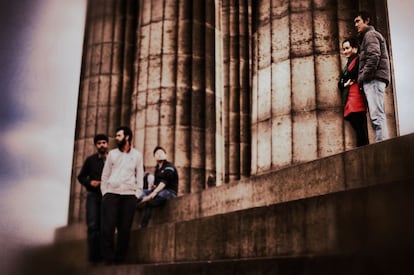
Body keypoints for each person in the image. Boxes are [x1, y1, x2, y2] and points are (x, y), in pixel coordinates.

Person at [100, 126, 144, 264]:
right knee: (109, 227)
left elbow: (140, 175)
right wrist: (105, 192)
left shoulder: (137, 155)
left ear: (127, 137)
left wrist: (137, 193)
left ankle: (119, 259)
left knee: (125, 228)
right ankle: (108, 258)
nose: (116, 138)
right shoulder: (112, 154)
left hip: (129, 196)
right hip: (111, 194)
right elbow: (105, 175)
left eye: (119, 135)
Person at [354, 10, 391, 142]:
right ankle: (381, 144)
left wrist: (363, 76)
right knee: (376, 116)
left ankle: (382, 146)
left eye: (358, 21)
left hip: (373, 79)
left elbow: (373, 57)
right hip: (373, 79)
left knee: (377, 116)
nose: (355, 24)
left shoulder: (370, 35)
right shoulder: (368, 36)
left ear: (367, 20)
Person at [77, 134, 109, 264]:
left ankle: (103, 256)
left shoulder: (112, 160)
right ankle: (94, 258)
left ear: (107, 144)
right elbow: (81, 177)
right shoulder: (90, 160)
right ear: (96, 145)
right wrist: (90, 183)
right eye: (99, 143)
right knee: (92, 225)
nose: (101, 145)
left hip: (107, 196)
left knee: (104, 226)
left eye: (104, 142)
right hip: (93, 195)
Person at [338, 38, 369, 147]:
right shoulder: (348, 63)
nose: (345, 51)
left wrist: (345, 81)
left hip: (357, 97)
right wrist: (345, 83)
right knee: (356, 125)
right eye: (343, 49)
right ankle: (362, 147)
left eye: (347, 48)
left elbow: (354, 74)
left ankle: (362, 148)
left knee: (359, 124)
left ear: (354, 48)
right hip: (350, 97)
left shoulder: (358, 59)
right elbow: (340, 82)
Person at [138, 146, 178, 228]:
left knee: (150, 201)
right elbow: (157, 185)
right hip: (159, 191)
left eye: (161, 152)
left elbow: (164, 183)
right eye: (157, 153)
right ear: (154, 157)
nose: (159, 154)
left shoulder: (169, 167)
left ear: (165, 155)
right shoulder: (157, 169)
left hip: (169, 192)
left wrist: (152, 195)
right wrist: (153, 188)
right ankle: (141, 201)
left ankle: (142, 225)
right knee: (142, 192)